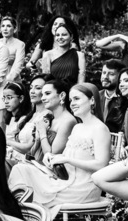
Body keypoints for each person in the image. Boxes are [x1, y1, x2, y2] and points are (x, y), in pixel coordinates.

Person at [10, 82, 110, 210]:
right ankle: (16, 213)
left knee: (25, 185)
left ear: (92, 100)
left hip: (82, 187)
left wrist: (67, 159)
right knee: (20, 169)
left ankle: (20, 213)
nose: (72, 103)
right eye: (71, 100)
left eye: (77, 99)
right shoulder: (78, 127)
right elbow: (66, 157)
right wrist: (51, 157)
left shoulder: (100, 128)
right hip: (64, 179)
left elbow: (101, 165)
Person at [6, 75, 47, 162]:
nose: (32, 91)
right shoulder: (31, 115)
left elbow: (29, 148)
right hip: (15, 156)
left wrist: (6, 141)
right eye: (31, 88)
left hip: (29, 161)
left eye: (38, 88)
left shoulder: (46, 116)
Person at [39, 20, 85, 85]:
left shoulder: (80, 55)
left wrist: (77, 90)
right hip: (53, 89)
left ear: (71, 37)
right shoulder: (46, 54)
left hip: (73, 89)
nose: (60, 37)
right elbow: (45, 77)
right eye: (57, 35)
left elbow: (82, 75)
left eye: (64, 35)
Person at [97, 59, 127, 133]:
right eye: (104, 73)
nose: (105, 77)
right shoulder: (96, 96)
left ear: (120, 77)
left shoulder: (125, 99)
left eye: (111, 74)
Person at [0, 16, 27, 82]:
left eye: (8, 26)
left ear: (15, 29)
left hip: (12, 80)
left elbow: (18, 65)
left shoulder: (20, 44)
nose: (5, 29)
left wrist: (8, 80)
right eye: (3, 26)